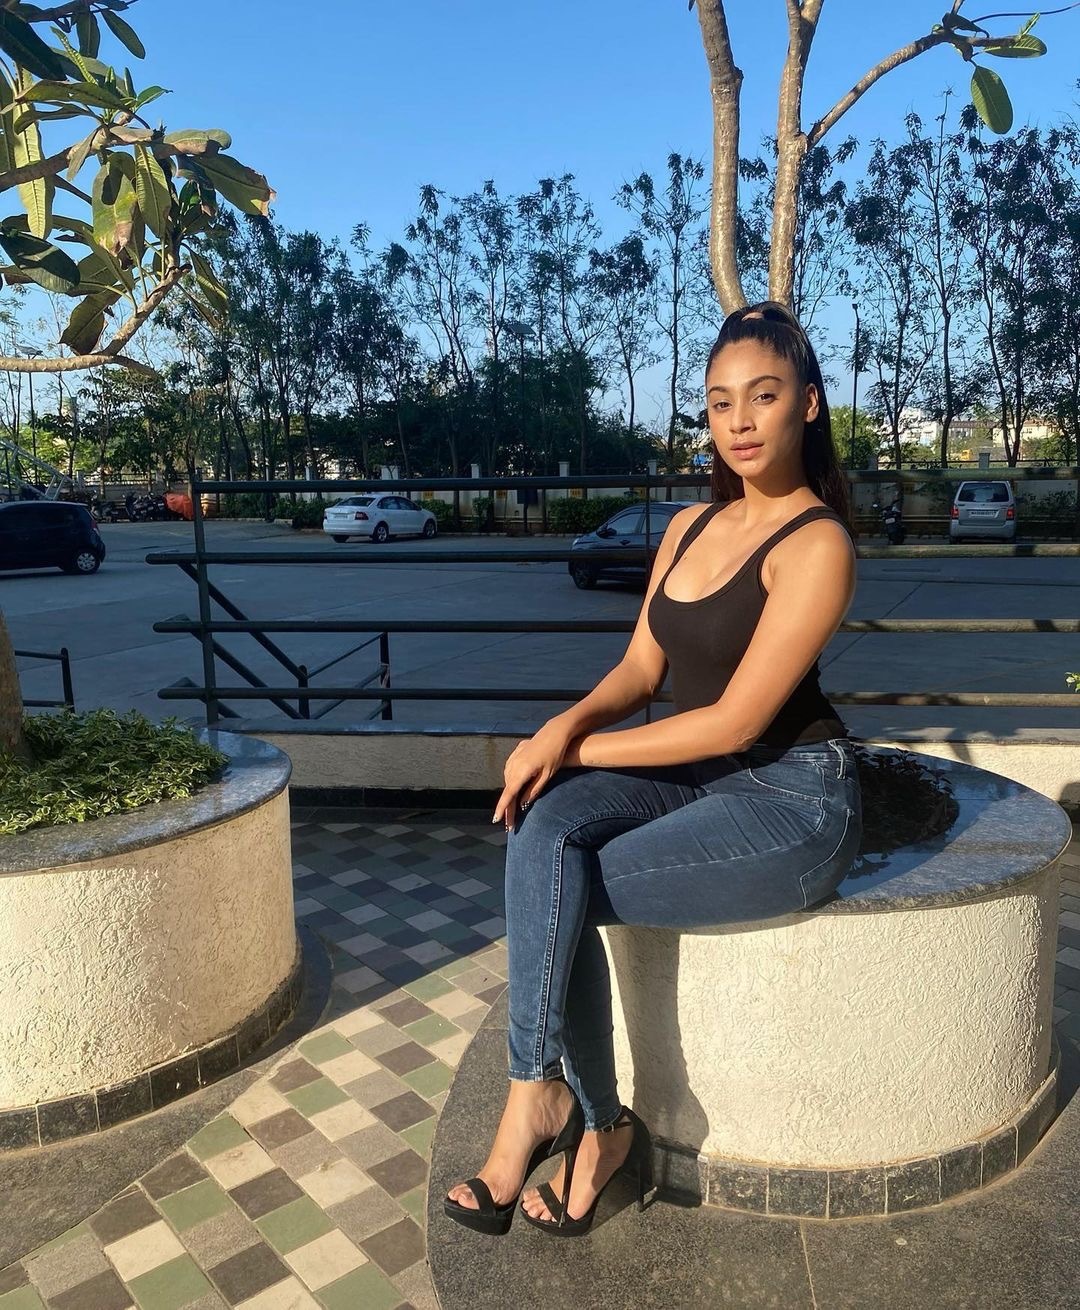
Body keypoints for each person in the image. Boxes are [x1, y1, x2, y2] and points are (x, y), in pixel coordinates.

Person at [444, 301, 862, 1238]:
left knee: (560, 879)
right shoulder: (687, 527)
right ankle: (550, 1098)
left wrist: (575, 749)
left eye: (764, 396)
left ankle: (574, 1118)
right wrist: (563, 725)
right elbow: (641, 671)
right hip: (703, 771)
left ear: (809, 404)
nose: (740, 421)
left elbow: (738, 720)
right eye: (720, 402)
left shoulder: (818, 543)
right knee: (543, 823)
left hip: (792, 798)